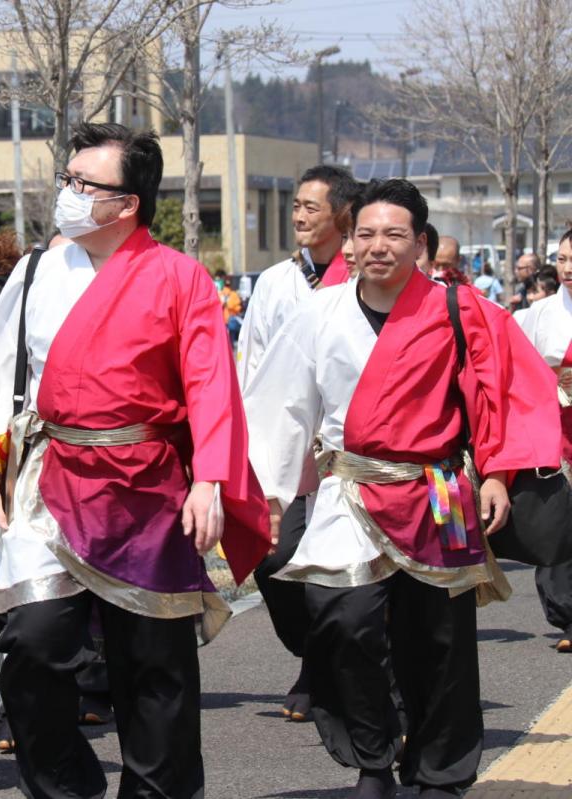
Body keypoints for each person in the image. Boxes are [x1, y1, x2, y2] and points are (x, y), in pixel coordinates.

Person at [0, 122, 271, 799]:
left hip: (148, 492)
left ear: (127, 202)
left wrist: (212, 479)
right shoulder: (38, 271)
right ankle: (67, 786)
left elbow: (211, 383)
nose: (67, 194)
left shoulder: (180, 277)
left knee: (153, 666)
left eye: (82, 184)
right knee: (32, 647)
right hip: (52, 483)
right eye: (66, 180)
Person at [245, 179, 559, 798]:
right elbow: (280, 407)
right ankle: (373, 753)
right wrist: (273, 497)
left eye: (394, 235)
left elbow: (506, 391)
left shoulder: (462, 309)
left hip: (437, 490)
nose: (378, 246)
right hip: (349, 491)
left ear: (420, 243)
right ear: (350, 239)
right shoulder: (317, 313)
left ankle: (439, 772)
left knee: (439, 640)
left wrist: (496, 472)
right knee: (340, 621)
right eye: (366, 234)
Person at [235, 163, 362, 722]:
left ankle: (327, 672)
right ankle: (315, 654)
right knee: (274, 565)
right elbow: (253, 368)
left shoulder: (364, 276)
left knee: (332, 571)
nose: (298, 217)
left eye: (311, 207)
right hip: (287, 446)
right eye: (295, 206)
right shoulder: (274, 282)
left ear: (341, 214)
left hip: (347, 455)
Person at [519, 231, 572, 654]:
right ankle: (566, 612)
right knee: (556, 521)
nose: (567, 267)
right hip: (555, 427)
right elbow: (522, 366)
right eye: (562, 258)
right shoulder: (538, 314)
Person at [215, 268, 243, 346]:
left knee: (224, 343)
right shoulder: (232, 294)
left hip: (224, 321)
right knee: (230, 343)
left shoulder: (220, 293)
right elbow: (238, 308)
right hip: (228, 321)